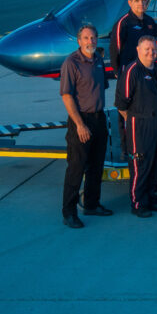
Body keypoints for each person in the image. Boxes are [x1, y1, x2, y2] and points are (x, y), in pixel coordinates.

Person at [59, 24, 111, 228]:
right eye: (86, 38)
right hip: (81, 121)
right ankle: (69, 212)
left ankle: (91, 203)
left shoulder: (98, 59)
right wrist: (80, 124)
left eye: (93, 37)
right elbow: (66, 95)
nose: (91, 41)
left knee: (96, 166)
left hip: (98, 119)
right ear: (79, 41)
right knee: (76, 168)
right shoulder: (71, 63)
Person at [115, 35, 157, 217]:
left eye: (153, 49)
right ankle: (138, 203)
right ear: (138, 50)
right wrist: (135, 122)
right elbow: (122, 104)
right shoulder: (132, 71)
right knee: (141, 165)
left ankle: (152, 199)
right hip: (140, 125)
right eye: (146, 49)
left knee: (155, 164)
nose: (150, 52)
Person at [109, 0, 157, 158]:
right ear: (130, 2)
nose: (141, 4)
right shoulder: (123, 23)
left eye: (143, 0)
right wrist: (119, 73)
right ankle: (126, 147)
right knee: (125, 111)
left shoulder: (150, 22)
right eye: (137, 1)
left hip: (147, 74)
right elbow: (114, 49)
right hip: (128, 74)